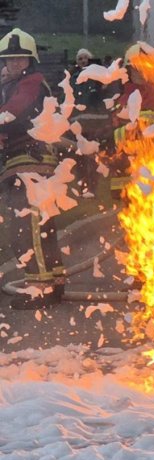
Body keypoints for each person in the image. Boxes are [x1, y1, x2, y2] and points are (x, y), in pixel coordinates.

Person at [0, 28, 65, 309]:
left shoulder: (32, 83)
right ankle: (53, 282)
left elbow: (13, 114)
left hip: (31, 162)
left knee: (29, 227)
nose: (14, 64)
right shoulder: (13, 84)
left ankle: (41, 288)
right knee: (40, 226)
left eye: (20, 59)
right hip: (24, 162)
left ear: (31, 62)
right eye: (9, 59)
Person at [107, 44, 154, 196]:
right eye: (136, 67)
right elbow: (111, 136)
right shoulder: (121, 101)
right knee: (129, 216)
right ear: (129, 70)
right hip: (126, 168)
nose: (140, 71)